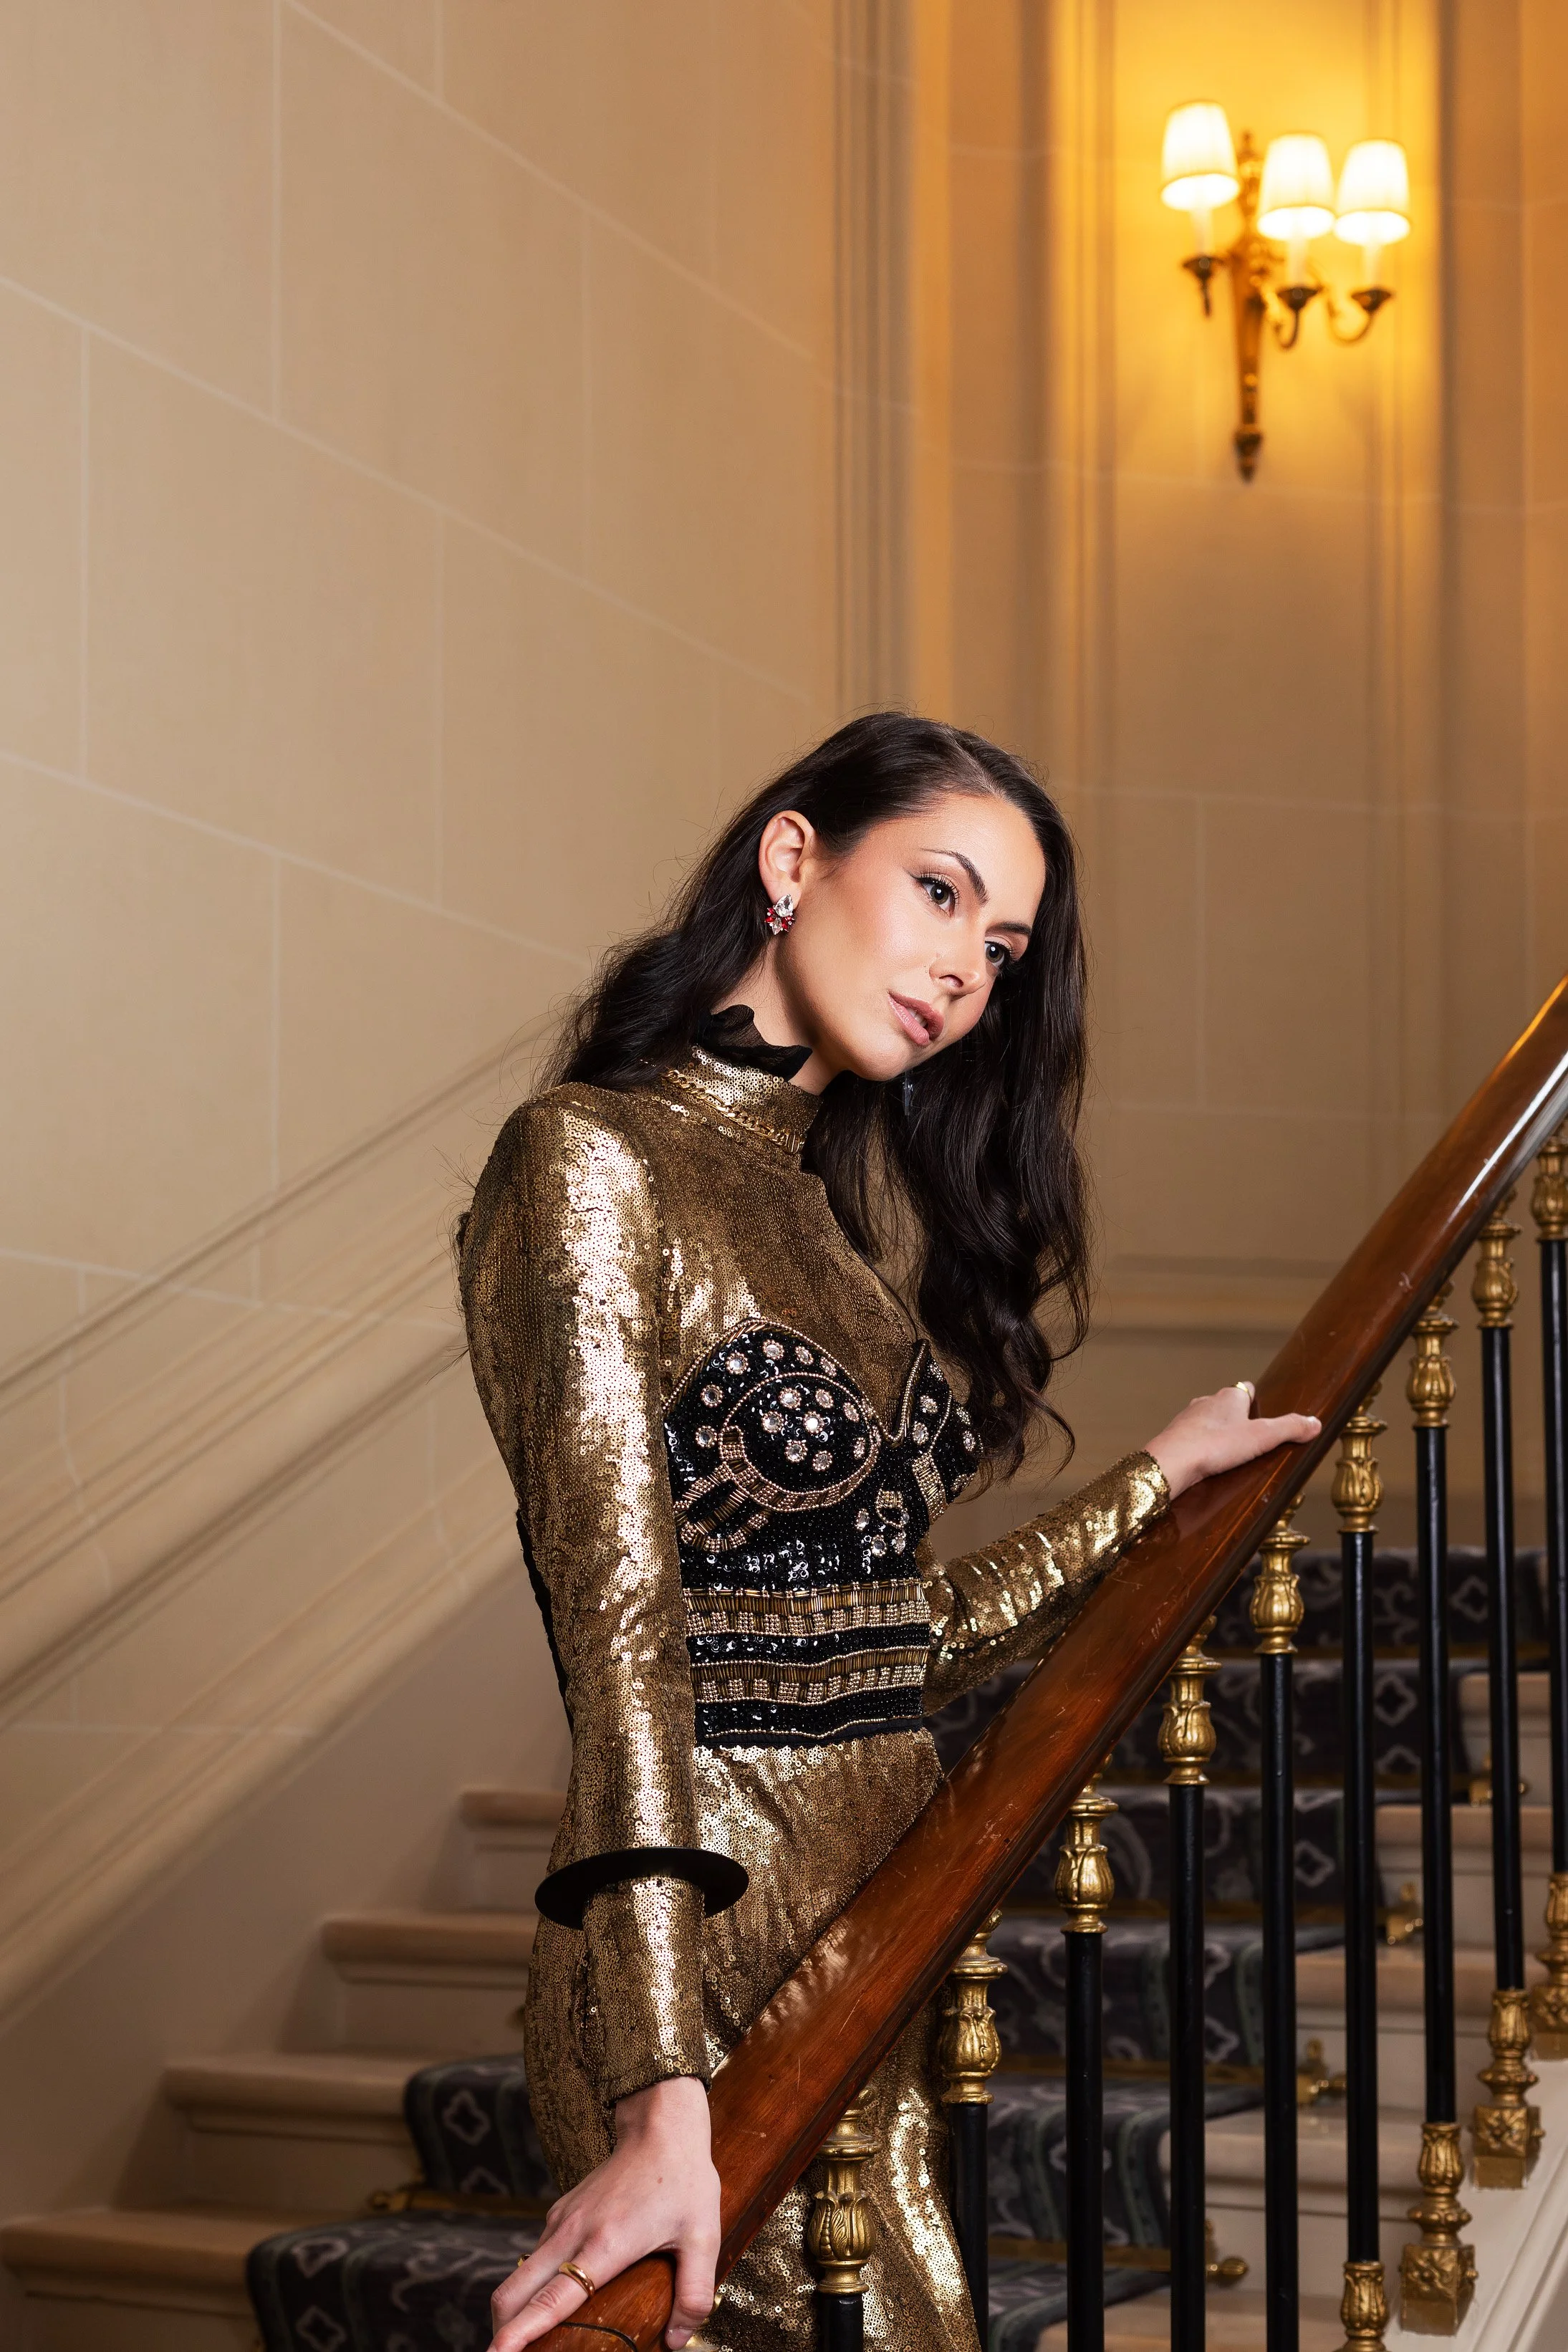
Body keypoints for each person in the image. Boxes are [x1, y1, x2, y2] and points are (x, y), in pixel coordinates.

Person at [458, 714, 1319, 2351]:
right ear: (792, 859)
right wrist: (655, 2086)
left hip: (870, 1950)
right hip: (698, 1974)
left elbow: (892, 1640)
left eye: (999, 950)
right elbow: (626, 1639)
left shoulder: (836, 1226)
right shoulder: (589, 1161)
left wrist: (1153, 1479)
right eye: (938, 892)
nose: (961, 973)